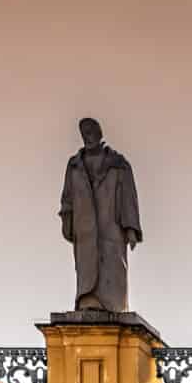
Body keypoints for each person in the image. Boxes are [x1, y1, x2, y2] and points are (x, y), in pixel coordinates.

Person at [60, 118, 143, 314]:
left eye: (91, 132)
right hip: (85, 228)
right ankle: (88, 301)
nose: (88, 137)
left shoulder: (118, 164)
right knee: (86, 266)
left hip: (110, 226)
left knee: (112, 267)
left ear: (99, 134)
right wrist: (67, 218)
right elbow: (67, 197)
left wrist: (130, 228)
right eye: (84, 133)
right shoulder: (74, 166)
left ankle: (112, 305)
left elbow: (128, 197)